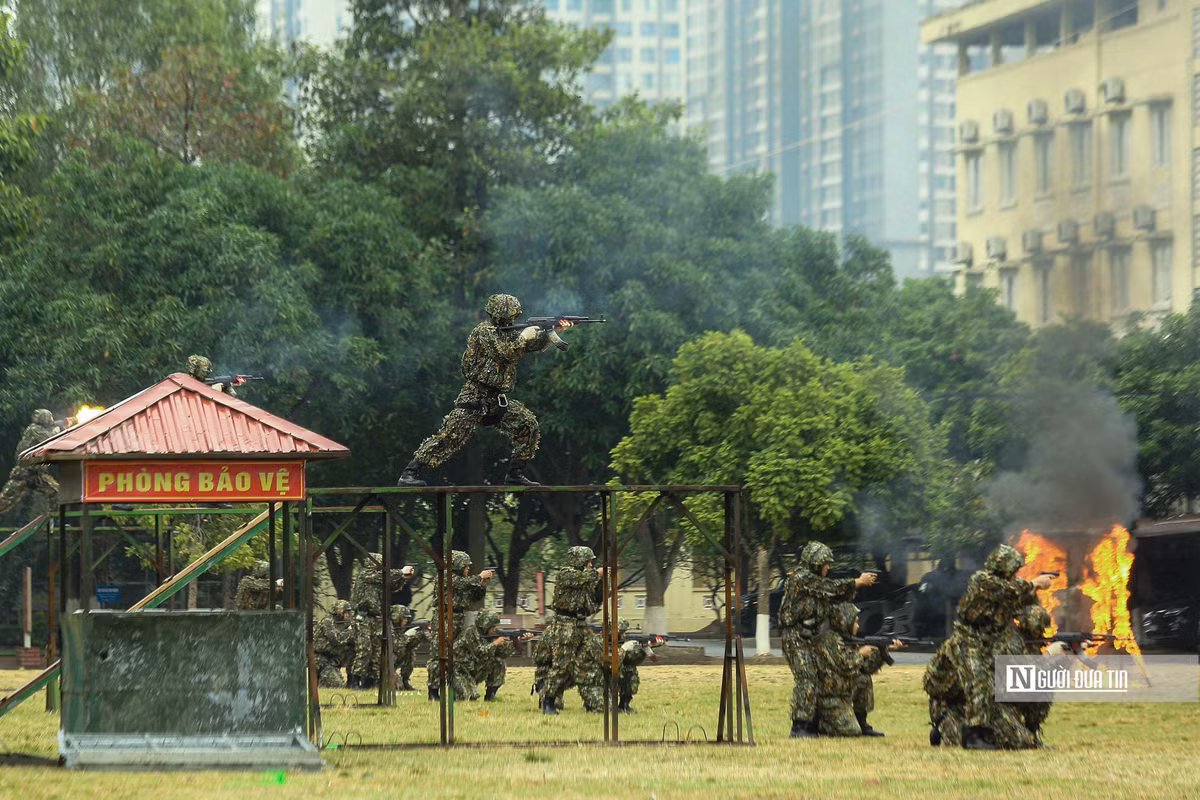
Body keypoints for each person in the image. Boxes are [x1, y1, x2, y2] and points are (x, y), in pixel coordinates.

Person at [396, 293, 571, 487]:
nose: (510, 319)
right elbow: (505, 354)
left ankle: (515, 474)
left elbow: (531, 345)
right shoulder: (484, 331)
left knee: (527, 425)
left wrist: (551, 332)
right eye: (507, 315)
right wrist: (524, 336)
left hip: (497, 400)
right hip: (475, 396)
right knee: (450, 437)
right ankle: (409, 473)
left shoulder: (509, 332)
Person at [932, 544, 1053, 750]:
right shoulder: (982, 580)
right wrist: (1035, 583)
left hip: (990, 641)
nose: (1015, 572)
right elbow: (1008, 591)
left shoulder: (1010, 589)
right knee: (979, 681)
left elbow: (1022, 602)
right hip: (968, 638)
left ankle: (1029, 731)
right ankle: (974, 735)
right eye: (1013, 568)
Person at [777, 541, 877, 738]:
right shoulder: (801, 578)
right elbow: (830, 587)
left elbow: (835, 596)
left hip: (810, 637)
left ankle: (815, 722)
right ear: (815, 563)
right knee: (807, 677)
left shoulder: (815, 585)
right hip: (795, 638)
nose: (827, 568)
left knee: (816, 678)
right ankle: (800, 726)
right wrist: (857, 581)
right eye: (825, 564)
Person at [539, 546, 605, 715]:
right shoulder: (566, 574)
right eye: (588, 561)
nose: (591, 564)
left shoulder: (587, 579)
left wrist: (604, 581)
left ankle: (593, 700)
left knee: (595, 657)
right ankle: (548, 700)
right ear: (579, 561)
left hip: (581, 624)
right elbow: (582, 579)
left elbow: (596, 600)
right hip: (565, 624)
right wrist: (597, 573)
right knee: (562, 664)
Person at [426, 550, 494, 701]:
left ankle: (458, 689)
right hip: (444, 618)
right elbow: (459, 583)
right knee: (439, 655)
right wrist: (479, 577)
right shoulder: (445, 577)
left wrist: (482, 583)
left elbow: (474, 596)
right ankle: (433, 691)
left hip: (458, 618)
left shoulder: (463, 581)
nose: (468, 568)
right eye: (465, 566)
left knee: (457, 655)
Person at [813, 603, 887, 736]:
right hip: (829, 697)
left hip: (843, 693)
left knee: (863, 678)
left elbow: (866, 668)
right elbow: (844, 665)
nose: (858, 626)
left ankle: (862, 721)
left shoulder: (848, 639)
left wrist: (882, 651)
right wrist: (860, 654)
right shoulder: (829, 640)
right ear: (844, 621)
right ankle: (822, 724)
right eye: (856, 622)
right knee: (852, 731)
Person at [348, 554, 415, 690]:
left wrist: (402, 578)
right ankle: (355, 681)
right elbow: (383, 577)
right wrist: (400, 572)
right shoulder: (365, 576)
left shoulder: (378, 580)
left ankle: (370, 681)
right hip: (363, 618)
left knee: (377, 650)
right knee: (365, 649)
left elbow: (391, 586)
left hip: (376, 618)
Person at [0, 409, 68, 515]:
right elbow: (49, 439)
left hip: (37, 475)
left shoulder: (40, 429)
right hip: (24, 473)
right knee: (5, 501)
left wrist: (61, 427)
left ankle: (52, 521)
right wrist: (58, 428)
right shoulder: (33, 429)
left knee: (56, 492)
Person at [472, 610, 536, 701]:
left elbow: (503, 653)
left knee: (498, 662)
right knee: (466, 698)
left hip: (479, 667)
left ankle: (490, 695)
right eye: (492, 627)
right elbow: (478, 653)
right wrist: (494, 644)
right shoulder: (472, 634)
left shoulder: (492, 635)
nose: (495, 629)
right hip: (467, 670)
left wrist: (519, 640)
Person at [615, 618, 662, 713]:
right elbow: (615, 662)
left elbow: (654, 659)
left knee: (631, 679)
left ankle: (624, 705)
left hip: (626, 669)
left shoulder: (630, 642)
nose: (623, 636)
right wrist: (624, 648)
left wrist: (652, 645)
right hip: (612, 672)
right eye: (622, 633)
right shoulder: (606, 642)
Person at [314, 600, 356, 688]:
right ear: (339, 611)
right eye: (345, 612)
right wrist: (350, 631)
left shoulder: (341, 624)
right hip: (321, 660)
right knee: (338, 685)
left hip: (333, 659)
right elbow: (336, 640)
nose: (347, 615)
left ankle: (352, 680)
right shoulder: (327, 622)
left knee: (351, 651)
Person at [391, 604, 424, 692]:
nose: (406, 621)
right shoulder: (388, 630)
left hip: (393, 663)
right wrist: (407, 635)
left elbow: (407, 646)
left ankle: (405, 681)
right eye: (404, 618)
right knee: (398, 687)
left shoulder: (399, 630)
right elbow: (396, 647)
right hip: (383, 667)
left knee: (409, 652)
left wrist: (418, 636)